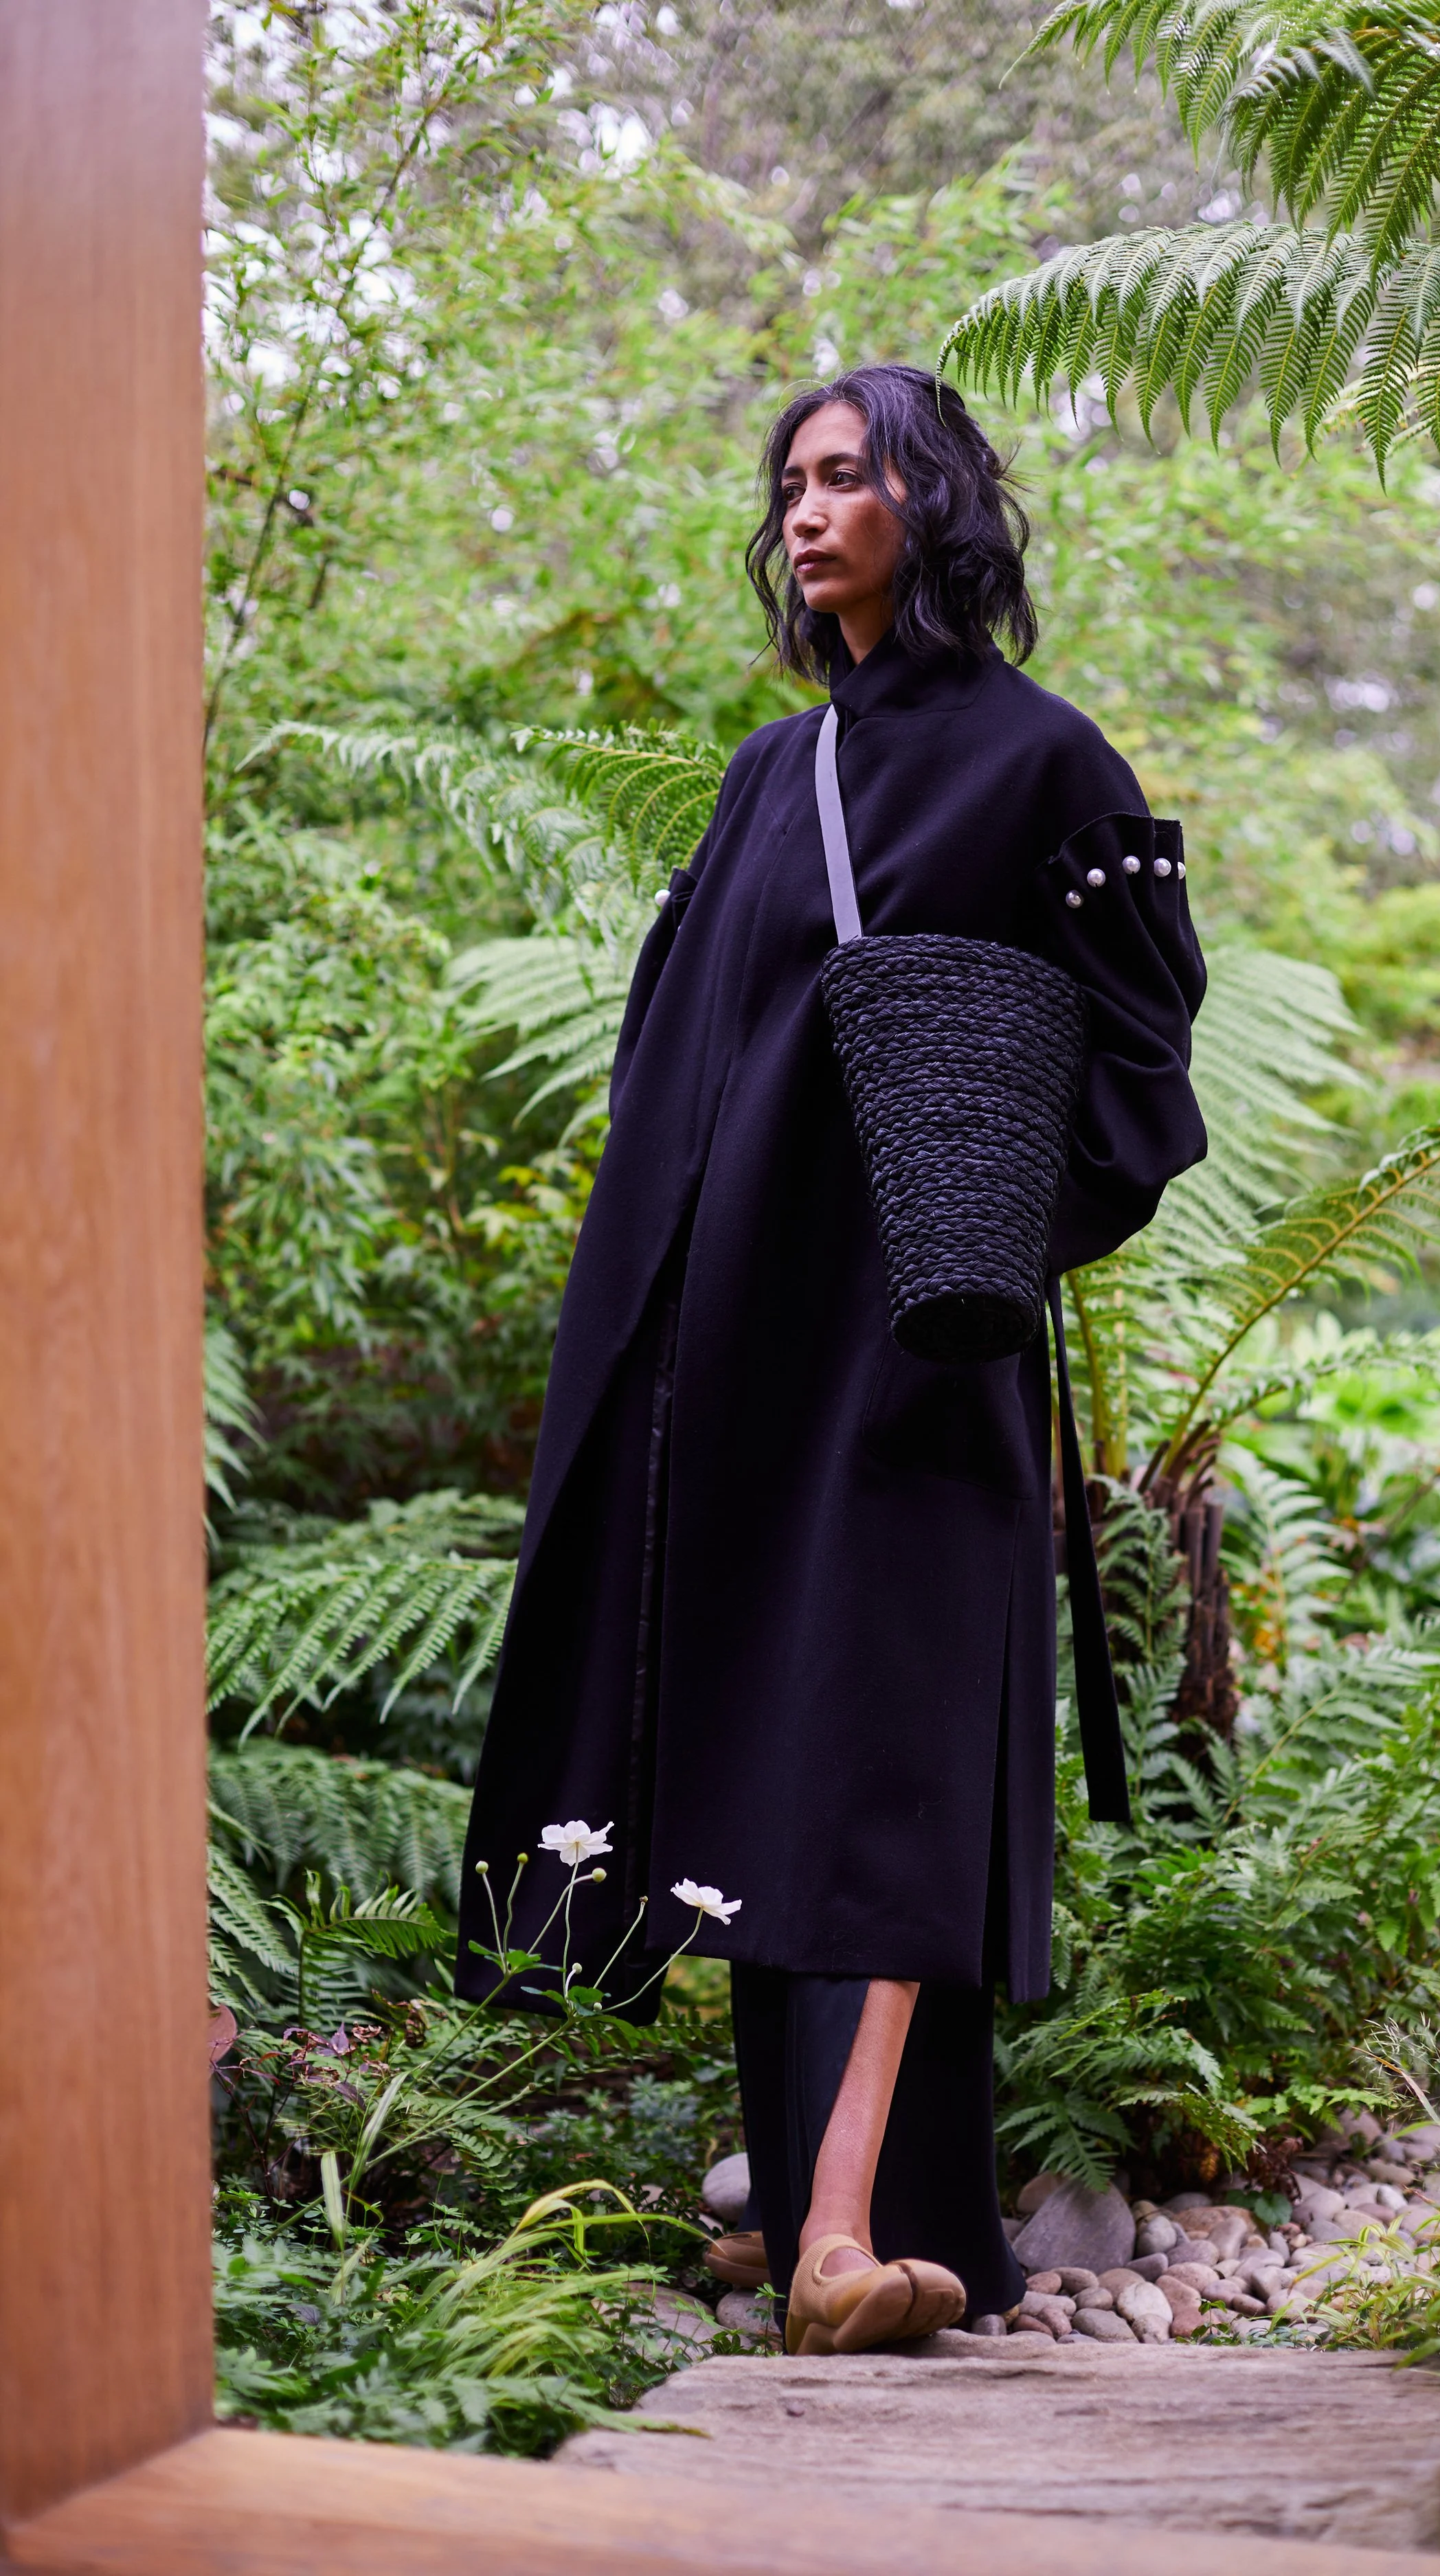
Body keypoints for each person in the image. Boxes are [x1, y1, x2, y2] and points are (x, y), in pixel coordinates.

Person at [455, 363, 1207, 2354]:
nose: (807, 512)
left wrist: (1004, 1237)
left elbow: (1139, 1045)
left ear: (929, 503)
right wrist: (662, 1330)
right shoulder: (768, 776)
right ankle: (818, 2198)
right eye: (790, 482)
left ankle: (838, 2234)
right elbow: (680, 1058)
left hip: (923, 1337)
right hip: (755, 1341)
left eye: (848, 476)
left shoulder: (1045, 761)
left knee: (887, 1744)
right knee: (770, 1729)